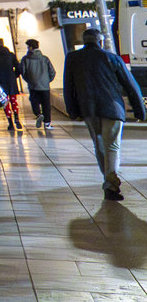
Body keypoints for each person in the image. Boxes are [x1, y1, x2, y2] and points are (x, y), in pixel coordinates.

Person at [61, 27, 147, 201]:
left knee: (99, 145)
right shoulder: (111, 57)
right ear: (100, 42)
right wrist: (140, 111)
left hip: (89, 110)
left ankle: (108, 181)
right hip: (112, 108)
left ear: (84, 42)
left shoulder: (73, 59)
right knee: (112, 146)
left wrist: (73, 111)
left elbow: (68, 87)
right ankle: (111, 184)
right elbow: (131, 85)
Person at [0, 37, 24, 133]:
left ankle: (10, 122)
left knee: (5, 102)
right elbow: (18, 67)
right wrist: (15, 75)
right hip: (11, 80)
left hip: (0, 82)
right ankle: (17, 118)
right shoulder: (10, 55)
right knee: (13, 100)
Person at [21, 38, 56, 131]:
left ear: (30, 47)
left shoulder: (25, 59)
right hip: (44, 86)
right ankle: (47, 124)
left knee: (34, 101)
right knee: (46, 104)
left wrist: (29, 80)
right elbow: (52, 71)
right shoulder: (45, 58)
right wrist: (47, 80)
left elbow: (23, 72)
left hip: (33, 86)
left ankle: (38, 114)